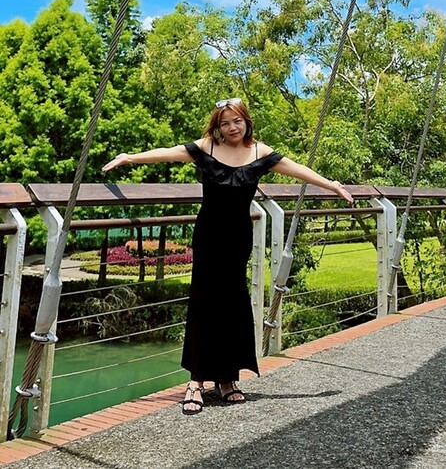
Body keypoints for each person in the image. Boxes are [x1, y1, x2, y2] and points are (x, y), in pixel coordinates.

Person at [102, 98, 353, 415]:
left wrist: (332, 185)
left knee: (233, 303)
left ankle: (227, 379)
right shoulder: (206, 148)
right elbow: (168, 152)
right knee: (204, 302)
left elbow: (297, 170)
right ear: (217, 127)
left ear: (246, 121)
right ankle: (196, 381)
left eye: (237, 121)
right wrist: (130, 158)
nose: (232, 127)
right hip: (209, 236)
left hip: (238, 239)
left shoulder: (260, 152)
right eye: (225, 123)